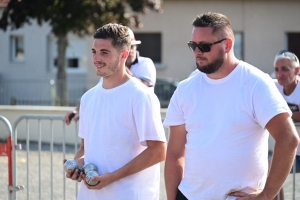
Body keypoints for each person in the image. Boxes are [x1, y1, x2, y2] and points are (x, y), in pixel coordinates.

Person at [163, 12, 299, 200]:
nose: (197, 52)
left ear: (227, 45)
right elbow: (174, 154)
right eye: (192, 46)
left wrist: (267, 195)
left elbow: (288, 139)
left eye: (203, 46)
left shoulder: (255, 83)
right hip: (188, 195)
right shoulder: (186, 89)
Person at [64, 23, 166, 200]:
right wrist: (78, 166)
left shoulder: (141, 96)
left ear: (124, 55)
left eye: (104, 52)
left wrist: (112, 177)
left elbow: (158, 151)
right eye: (94, 52)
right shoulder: (88, 98)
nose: (96, 58)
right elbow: (84, 148)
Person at [64, 28, 156, 125]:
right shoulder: (110, 69)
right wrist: (77, 110)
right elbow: (98, 94)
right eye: (94, 52)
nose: (130, 51)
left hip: (139, 117)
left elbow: (146, 86)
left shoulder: (145, 63)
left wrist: (121, 66)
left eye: (132, 47)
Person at [272, 50, 300, 200]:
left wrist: (280, 117)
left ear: (297, 71)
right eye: (276, 69)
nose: (279, 74)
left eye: (285, 69)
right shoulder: (272, 87)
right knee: (271, 172)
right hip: (286, 150)